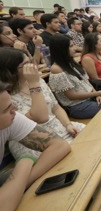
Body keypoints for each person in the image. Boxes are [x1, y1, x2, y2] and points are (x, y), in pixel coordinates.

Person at [0, 48, 85, 160]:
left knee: (91, 133)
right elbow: (41, 117)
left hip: (58, 126)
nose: (33, 67)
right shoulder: (6, 96)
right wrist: (33, 83)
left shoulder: (38, 80)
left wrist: (68, 124)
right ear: (10, 71)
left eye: (31, 62)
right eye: (27, 65)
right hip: (31, 140)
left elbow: (56, 108)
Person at [0, 82, 71, 210]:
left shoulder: (11, 118)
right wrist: (24, 163)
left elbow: (60, 146)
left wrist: (20, 182)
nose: (15, 108)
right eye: (6, 109)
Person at [49, 35, 101, 119]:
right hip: (78, 105)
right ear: (61, 49)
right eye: (71, 46)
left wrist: (97, 95)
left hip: (90, 97)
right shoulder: (56, 69)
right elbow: (71, 96)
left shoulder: (71, 62)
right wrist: (96, 93)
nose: (75, 49)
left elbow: (86, 82)